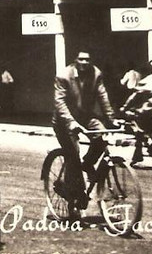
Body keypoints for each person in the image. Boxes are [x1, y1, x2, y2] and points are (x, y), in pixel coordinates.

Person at [52, 51, 116, 211]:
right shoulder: (63, 76)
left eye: (88, 59)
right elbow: (59, 102)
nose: (85, 62)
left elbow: (103, 96)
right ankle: (74, 197)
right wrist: (71, 122)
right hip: (64, 122)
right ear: (75, 61)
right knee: (73, 154)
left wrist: (111, 118)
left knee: (102, 137)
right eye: (81, 59)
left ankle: (87, 164)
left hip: (86, 117)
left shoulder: (96, 74)